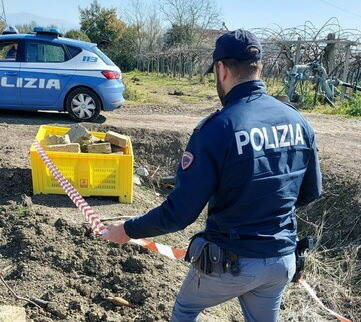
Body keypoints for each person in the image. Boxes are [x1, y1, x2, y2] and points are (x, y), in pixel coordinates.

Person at [102, 29, 322, 322]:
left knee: (186, 309)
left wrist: (127, 230)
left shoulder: (217, 129)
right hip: (281, 261)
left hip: (231, 263)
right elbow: (311, 191)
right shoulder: (298, 121)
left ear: (221, 69)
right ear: (260, 68)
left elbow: (180, 213)